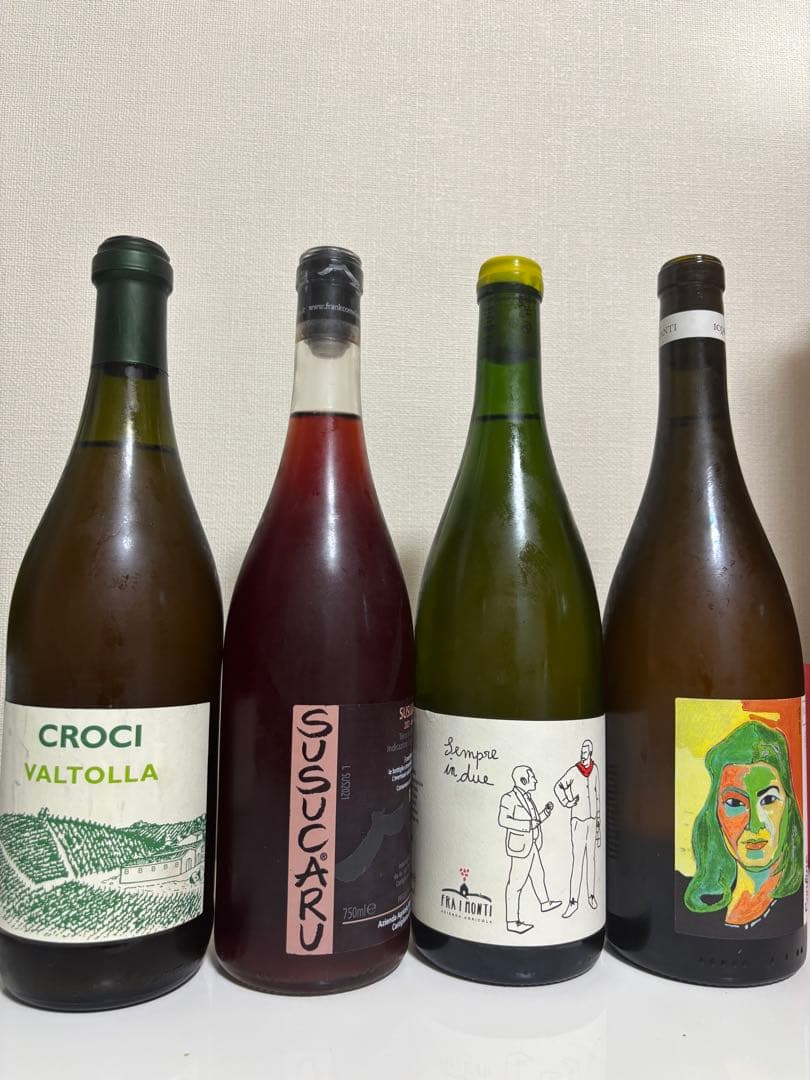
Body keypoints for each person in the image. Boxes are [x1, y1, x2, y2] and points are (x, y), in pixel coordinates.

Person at [683, 719, 803, 927]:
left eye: (768, 800)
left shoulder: (795, 906)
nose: (754, 824)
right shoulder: (699, 895)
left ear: (789, 807)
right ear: (715, 813)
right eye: (735, 803)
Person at [498, 765, 561, 933]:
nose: (535, 780)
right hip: (520, 847)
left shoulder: (528, 797)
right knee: (516, 883)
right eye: (532, 777)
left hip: (532, 844)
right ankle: (512, 922)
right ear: (523, 780)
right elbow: (503, 820)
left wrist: (545, 812)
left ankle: (545, 903)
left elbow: (535, 820)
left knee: (538, 875)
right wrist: (527, 826)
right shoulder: (509, 798)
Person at [554, 739, 600, 919]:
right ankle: (573, 901)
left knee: (592, 860)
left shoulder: (595, 770)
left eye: (585, 752)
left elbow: (597, 796)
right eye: (581, 751)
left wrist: (598, 823)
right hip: (578, 822)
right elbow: (559, 786)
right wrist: (567, 802)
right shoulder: (574, 771)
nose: (582, 755)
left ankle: (591, 896)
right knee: (578, 861)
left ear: (590, 753)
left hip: (592, 820)